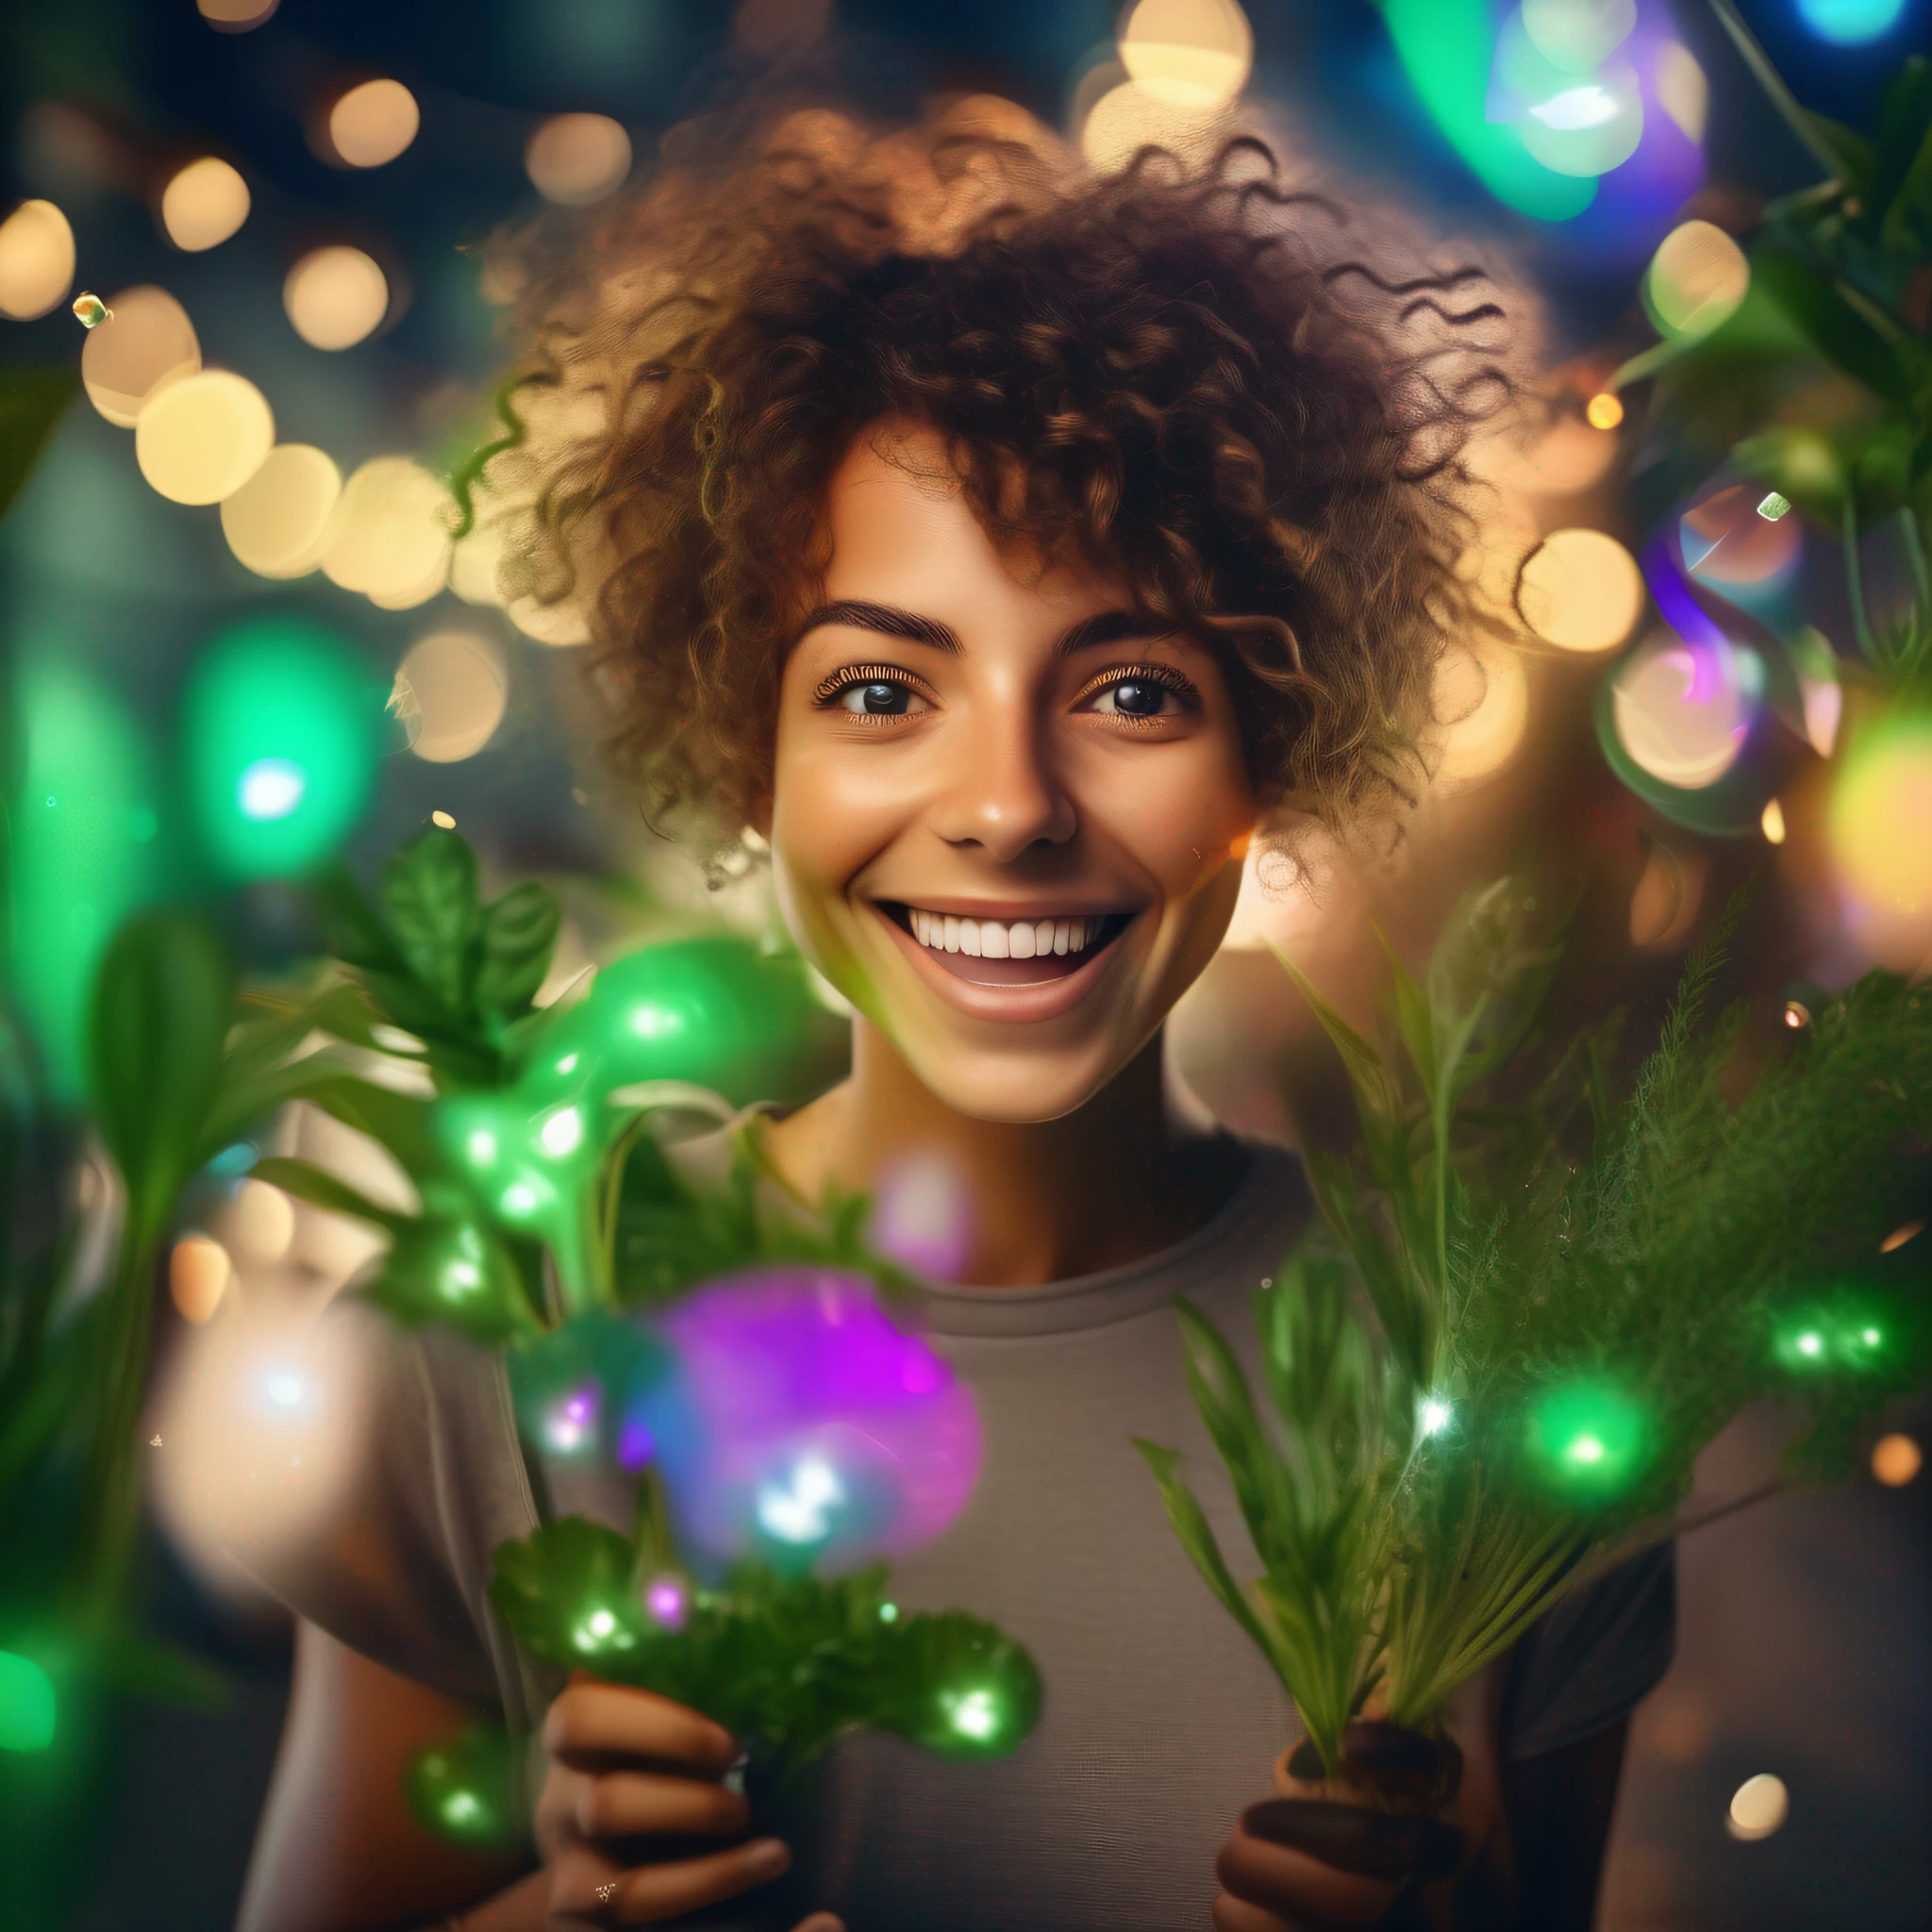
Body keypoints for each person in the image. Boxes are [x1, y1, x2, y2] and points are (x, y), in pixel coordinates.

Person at [233, 91, 1672, 1932]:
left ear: (1273, 751)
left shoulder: (1489, 1385)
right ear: (747, 746)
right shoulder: (492, 1349)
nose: (1007, 804)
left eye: (1134, 690)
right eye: (880, 691)